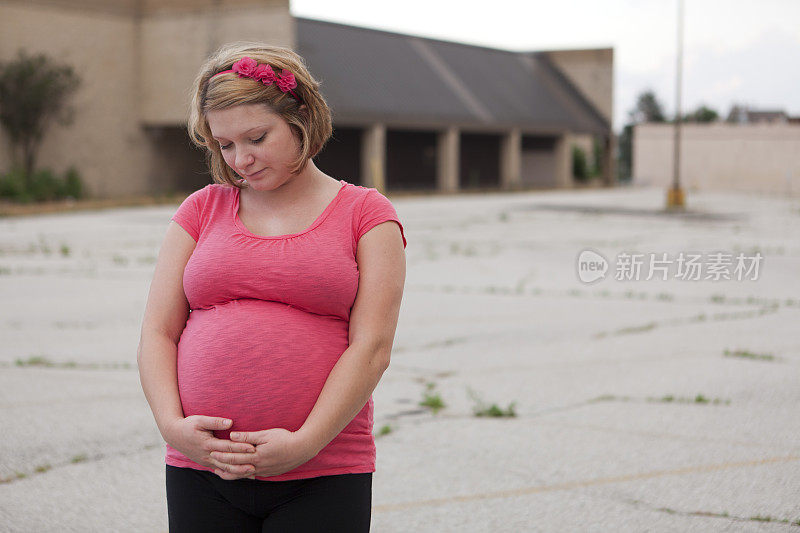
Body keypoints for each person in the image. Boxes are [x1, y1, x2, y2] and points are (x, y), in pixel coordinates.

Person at [136, 42, 407, 532]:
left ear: (301, 117)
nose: (241, 159)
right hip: (201, 470)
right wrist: (173, 428)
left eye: (257, 137)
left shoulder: (367, 215)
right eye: (225, 144)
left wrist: (306, 442)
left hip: (322, 472)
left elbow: (372, 348)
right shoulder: (202, 208)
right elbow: (158, 333)